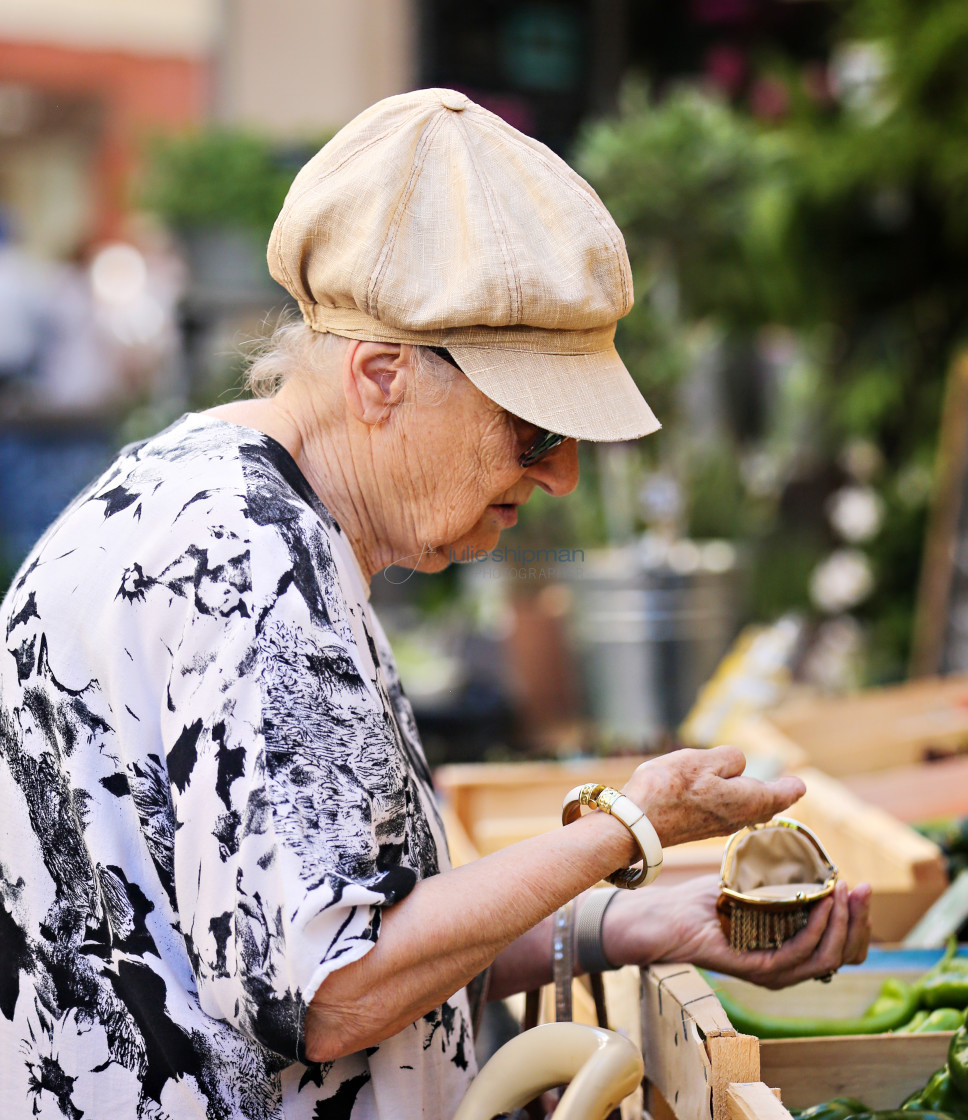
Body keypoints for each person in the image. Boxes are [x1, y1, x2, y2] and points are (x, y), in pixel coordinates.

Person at [0, 89, 870, 1120]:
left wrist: (624, 925)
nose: (560, 479)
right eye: (534, 431)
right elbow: (330, 993)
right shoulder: (250, 566)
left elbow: (324, 935)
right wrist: (628, 824)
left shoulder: (215, 500)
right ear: (381, 375)